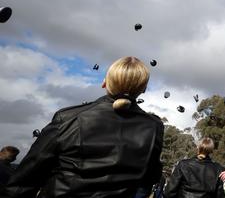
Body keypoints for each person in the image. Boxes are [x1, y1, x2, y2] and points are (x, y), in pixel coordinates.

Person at [4, 56, 164, 197]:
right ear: (143, 89)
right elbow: (151, 176)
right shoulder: (154, 127)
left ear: (105, 82)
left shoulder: (68, 118)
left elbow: (26, 179)